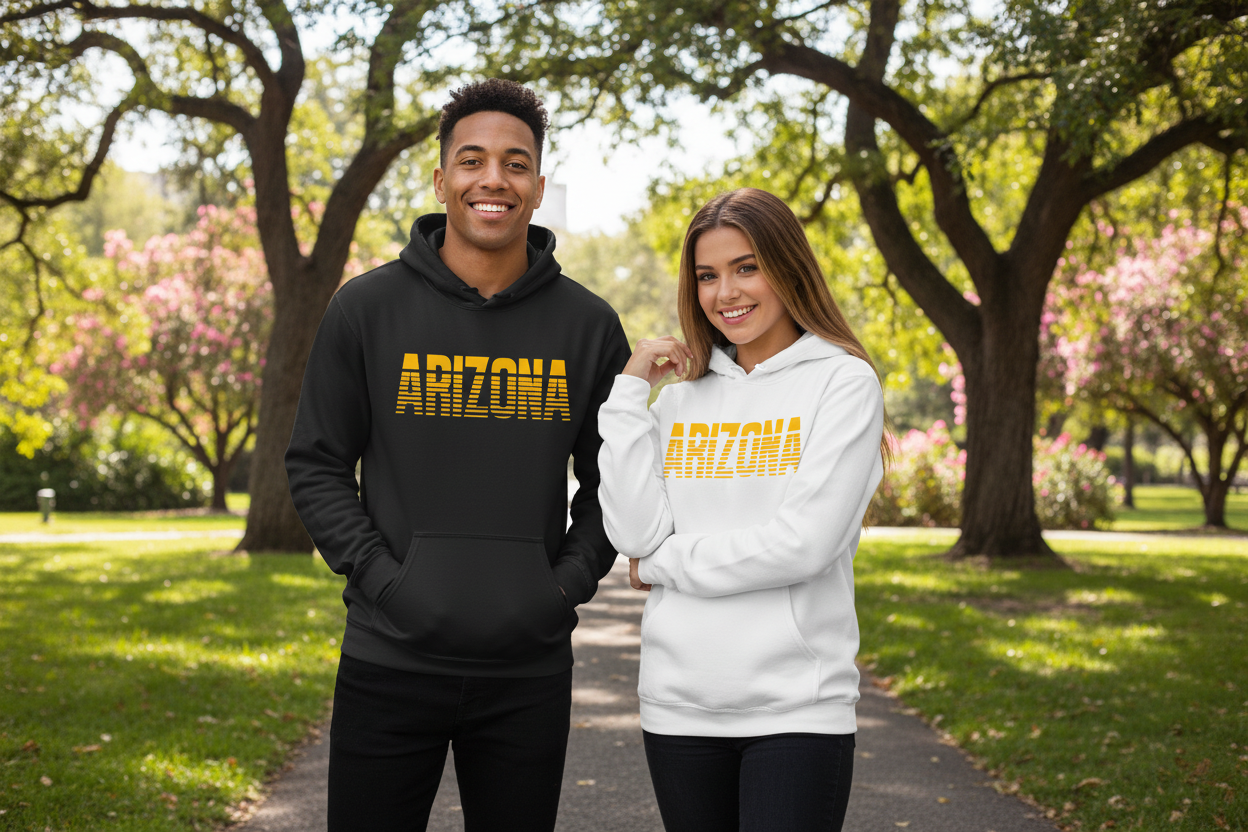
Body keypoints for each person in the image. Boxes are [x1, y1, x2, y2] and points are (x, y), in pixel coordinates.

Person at [285, 78, 631, 832]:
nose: (492, 179)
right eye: (472, 161)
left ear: (538, 188)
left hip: (528, 673)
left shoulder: (589, 326)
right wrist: (384, 582)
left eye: (515, 163)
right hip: (388, 658)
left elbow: (616, 481)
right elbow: (316, 463)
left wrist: (564, 587)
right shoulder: (365, 309)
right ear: (442, 180)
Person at [597, 187, 889, 831]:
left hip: (797, 711)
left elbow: (802, 546)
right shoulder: (680, 400)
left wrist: (664, 565)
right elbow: (633, 533)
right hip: (677, 707)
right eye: (707, 275)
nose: (725, 292)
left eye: (746, 268)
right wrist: (629, 397)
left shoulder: (842, 383)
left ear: (788, 267)